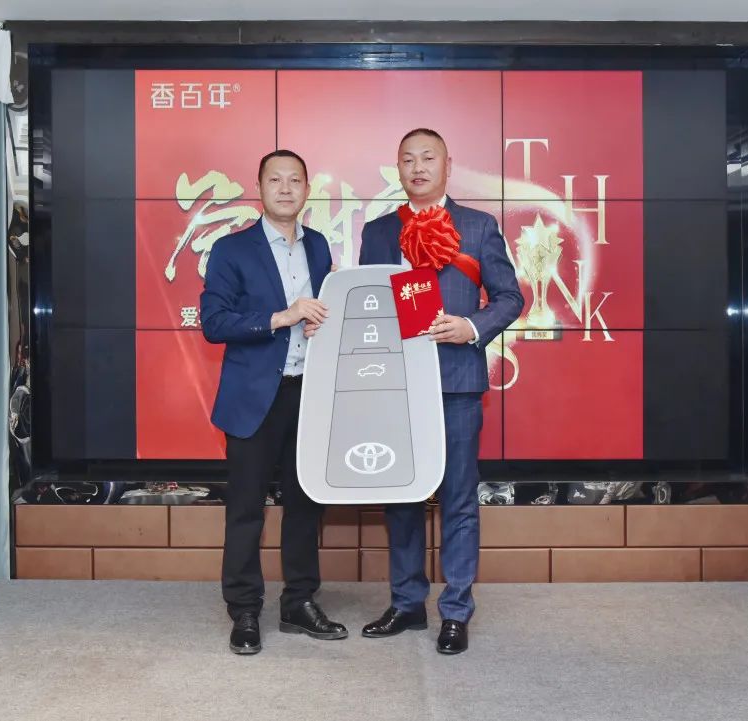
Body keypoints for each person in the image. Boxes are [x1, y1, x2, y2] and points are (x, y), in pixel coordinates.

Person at [358, 128, 524, 655]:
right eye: (407, 159)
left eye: (428, 157)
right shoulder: (379, 231)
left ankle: (455, 611)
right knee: (402, 498)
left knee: (458, 499)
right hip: (396, 385)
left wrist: (470, 327)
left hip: (456, 382)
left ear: (447, 165)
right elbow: (367, 303)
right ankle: (407, 603)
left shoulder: (478, 226)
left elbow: (510, 297)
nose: (418, 167)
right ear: (398, 169)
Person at [200, 149, 347, 655]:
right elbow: (214, 323)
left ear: (307, 190)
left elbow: (327, 314)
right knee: (246, 508)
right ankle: (244, 609)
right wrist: (282, 316)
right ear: (259, 188)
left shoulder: (319, 246)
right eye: (275, 180)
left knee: (306, 504)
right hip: (253, 397)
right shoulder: (231, 249)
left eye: (295, 180)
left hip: (309, 393)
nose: (285, 189)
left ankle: (299, 602)